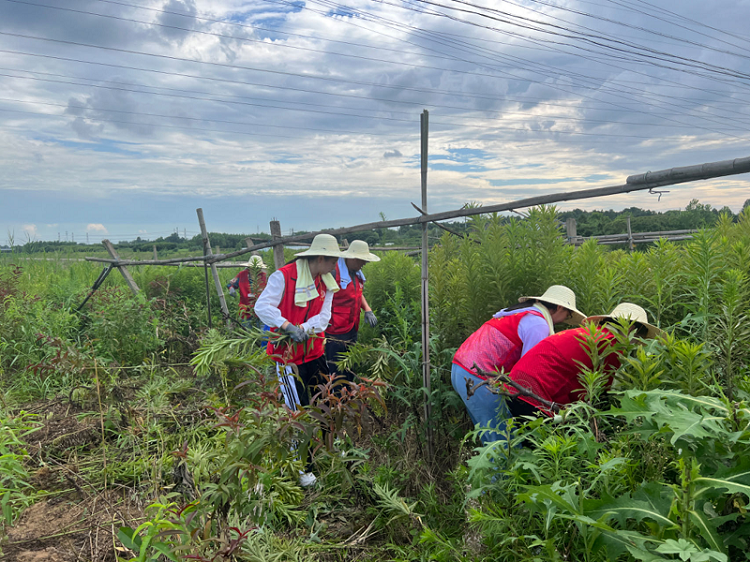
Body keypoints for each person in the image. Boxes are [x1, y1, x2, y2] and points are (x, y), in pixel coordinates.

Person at [253, 233, 344, 487]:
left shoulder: (326, 281)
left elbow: (324, 317)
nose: (335, 266)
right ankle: (303, 467)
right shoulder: (284, 276)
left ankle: (328, 447)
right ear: (322, 257)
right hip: (287, 358)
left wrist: (303, 327)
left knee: (325, 400)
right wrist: (286, 325)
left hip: (314, 351)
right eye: (333, 260)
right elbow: (262, 307)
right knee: (298, 411)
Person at [451, 285, 585, 444]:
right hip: (479, 377)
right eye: (567, 315)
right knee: (504, 443)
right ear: (559, 308)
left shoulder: (519, 314)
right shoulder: (538, 325)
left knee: (490, 437)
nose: (564, 320)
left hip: (461, 370)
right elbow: (529, 370)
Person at [504, 303, 663, 419]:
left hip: (515, 384)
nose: (638, 342)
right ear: (631, 330)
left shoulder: (588, 334)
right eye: (640, 335)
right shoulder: (612, 346)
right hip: (535, 394)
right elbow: (613, 396)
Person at [325, 240, 380, 383]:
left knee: (349, 365)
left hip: (351, 328)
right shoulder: (333, 271)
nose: (365, 264)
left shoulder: (355, 273)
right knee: (336, 370)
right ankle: (337, 400)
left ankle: (349, 394)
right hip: (334, 331)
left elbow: (356, 293)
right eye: (363, 260)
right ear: (353, 258)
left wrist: (367, 309)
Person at [226, 255, 268, 329]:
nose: (255, 269)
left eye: (257, 268)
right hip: (245, 308)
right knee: (247, 330)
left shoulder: (264, 277)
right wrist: (231, 288)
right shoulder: (242, 275)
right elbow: (231, 284)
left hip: (261, 309)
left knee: (263, 332)